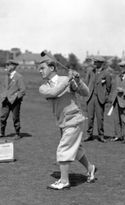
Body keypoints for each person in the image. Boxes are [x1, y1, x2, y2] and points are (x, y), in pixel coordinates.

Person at [38, 58, 96, 190]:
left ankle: (64, 181)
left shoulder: (66, 79)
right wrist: (68, 80)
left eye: (42, 68)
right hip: (63, 122)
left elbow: (85, 93)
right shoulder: (43, 88)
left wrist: (78, 80)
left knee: (64, 149)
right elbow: (55, 92)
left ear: (52, 68)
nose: (40, 71)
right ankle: (90, 168)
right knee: (76, 150)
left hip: (74, 119)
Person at [84, 56, 112, 143]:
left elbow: (108, 87)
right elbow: (86, 83)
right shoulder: (90, 71)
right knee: (90, 118)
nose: (94, 64)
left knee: (100, 118)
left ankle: (101, 135)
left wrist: (105, 96)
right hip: (90, 97)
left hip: (100, 98)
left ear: (101, 63)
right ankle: (89, 135)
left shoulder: (106, 73)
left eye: (96, 62)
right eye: (94, 62)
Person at [0, 60, 26, 140]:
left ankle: (17, 133)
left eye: (8, 65)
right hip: (5, 100)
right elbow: (4, 87)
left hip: (15, 102)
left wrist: (16, 97)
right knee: (2, 117)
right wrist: (2, 95)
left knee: (15, 118)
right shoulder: (6, 76)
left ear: (13, 66)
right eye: (6, 65)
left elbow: (23, 90)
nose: (6, 67)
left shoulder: (19, 77)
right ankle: (2, 133)